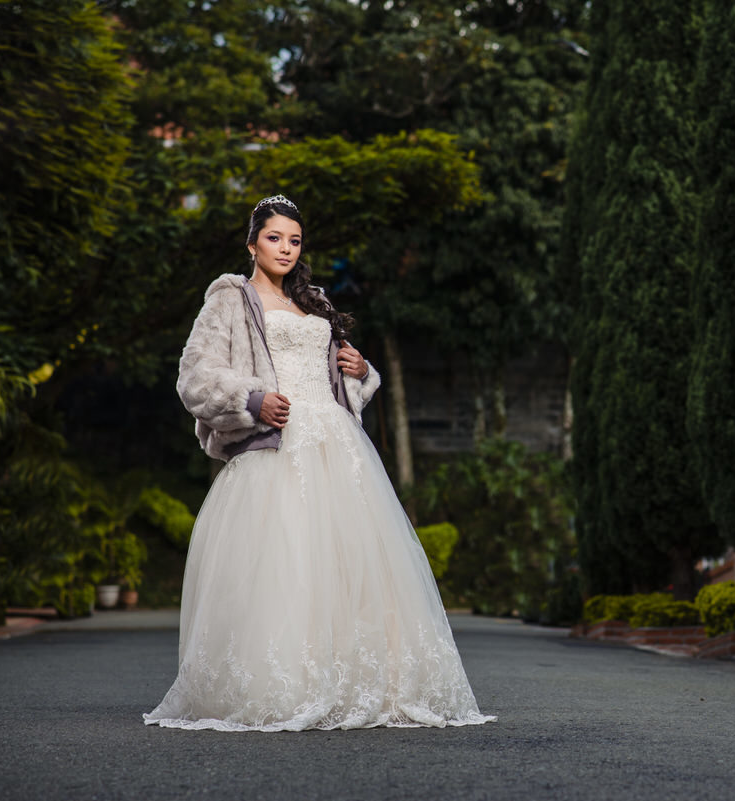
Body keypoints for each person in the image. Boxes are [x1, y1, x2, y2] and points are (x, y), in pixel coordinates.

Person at [144, 195, 495, 731]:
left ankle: (358, 684)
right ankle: (282, 686)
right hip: (275, 445)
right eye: (273, 238)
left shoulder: (315, 303)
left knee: (350, 567)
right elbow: (194, 376)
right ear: (252, 243)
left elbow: (342, 381)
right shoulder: (230, 299)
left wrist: (359, 368)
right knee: (284, 567)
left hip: (337, 444)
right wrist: (251, 398)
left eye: (294, 240)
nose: (285, 248)